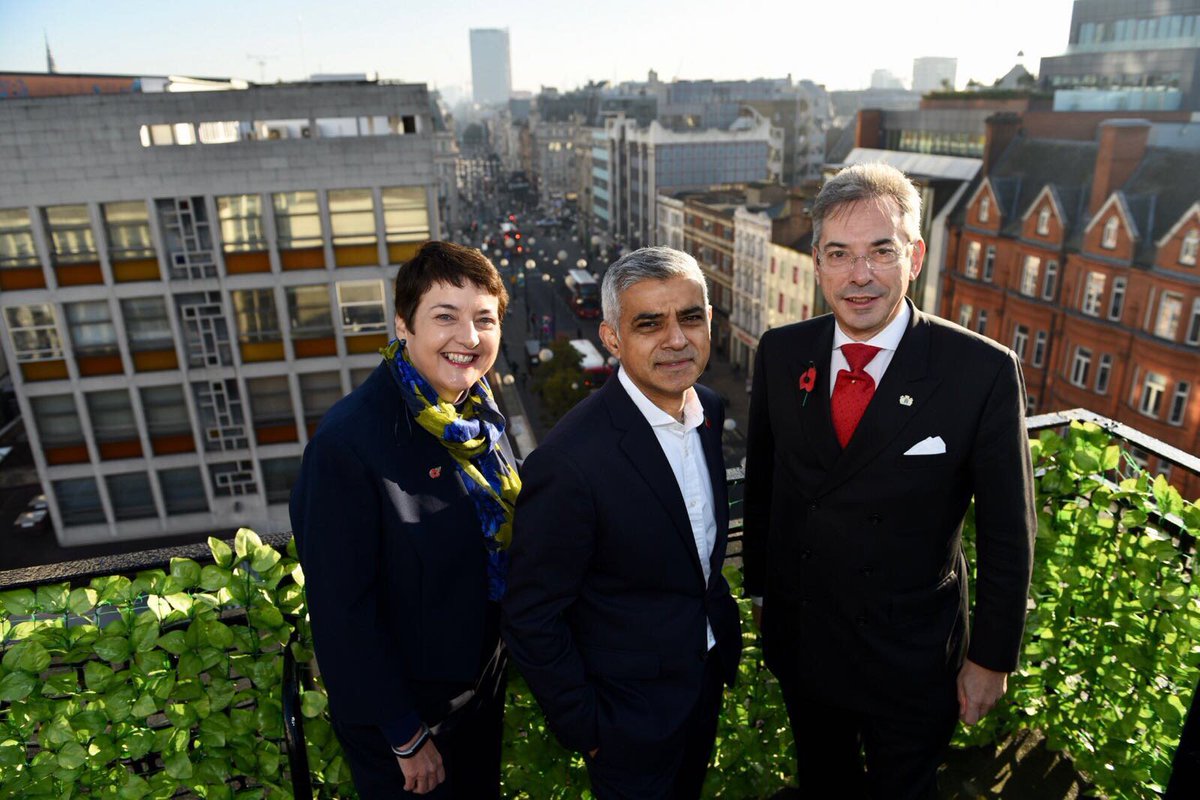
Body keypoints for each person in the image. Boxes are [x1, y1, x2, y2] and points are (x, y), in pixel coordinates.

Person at [743, 163, 1036, 799]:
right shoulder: (782, 351)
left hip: (912, 654)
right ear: (816, 260)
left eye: (881, 251)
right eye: (840, 254)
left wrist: (991, 658)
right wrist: (763, 597)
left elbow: (1009, 531)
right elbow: (766, 488)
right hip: (807, 640)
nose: (860, 275)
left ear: (915, 256)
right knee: (825, 783)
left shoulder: (979, 371)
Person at [502, 246, 743, 799]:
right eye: (650, 324)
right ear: (612, 338)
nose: (677, 339)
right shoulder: (569, 462)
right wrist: (589, 729)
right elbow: (531, 615)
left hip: (702, 682)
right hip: (626, 721)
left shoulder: (706, 409)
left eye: (690, 317)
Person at [290, 241, 519, 798]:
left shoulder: (478, 412)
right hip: (411, 717)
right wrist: (404, 733)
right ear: (403, 325)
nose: (468, 338)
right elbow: (343, 609)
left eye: (483, 320)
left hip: (479, 685)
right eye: (445, 317)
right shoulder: (349, 442)